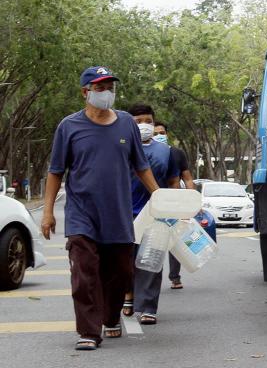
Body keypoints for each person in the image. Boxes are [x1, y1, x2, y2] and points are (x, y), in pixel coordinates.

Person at [41, 66, 160, 351]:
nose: (106, 92)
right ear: (86, 92)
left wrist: (160, 197)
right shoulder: (69, 126)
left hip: (118, 214)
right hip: (81, 213)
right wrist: (47, 212)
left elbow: (141, 165)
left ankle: (110, 317)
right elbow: (56, 171)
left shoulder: (126, 123)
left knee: (121, 273)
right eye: (99, 88)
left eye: (109, 87)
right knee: (84, 273)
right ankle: (88, 332)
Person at [124, 105, 180, 325]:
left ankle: (148, 307)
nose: (143, 125)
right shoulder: (120, 147)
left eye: (148, 121)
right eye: (137, 121)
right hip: (123, 214)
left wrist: (173, 208)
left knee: (151, 261)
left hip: (156, 215)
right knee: (124, 262)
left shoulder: (166, 151)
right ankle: (128, 295)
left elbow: (173, 181)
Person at [153, 121, 193, 289]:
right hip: (152, 204)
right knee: (153, 242)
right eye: (155, 134)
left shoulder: (177, 153)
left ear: (167, 134)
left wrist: (192, 200)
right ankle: (150, 277)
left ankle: (175, 277)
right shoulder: (142, 152)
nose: (159, 136)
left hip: (174, 203)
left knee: (175, 241)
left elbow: (187, 178)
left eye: (162, 133)